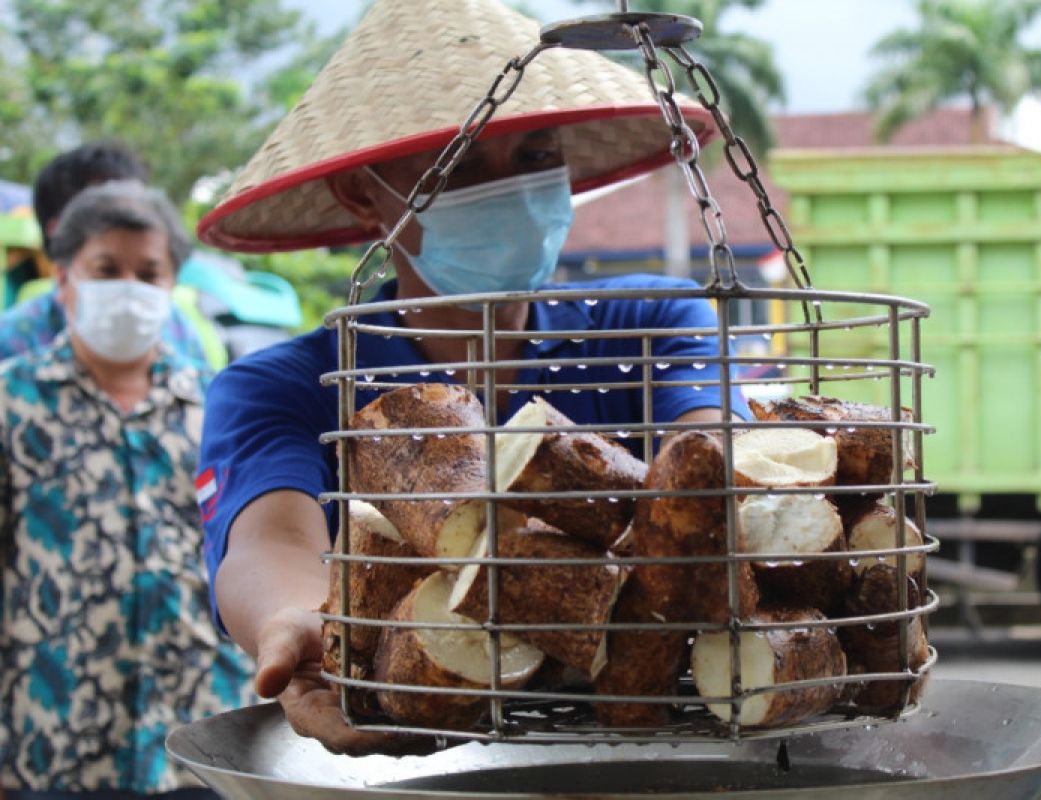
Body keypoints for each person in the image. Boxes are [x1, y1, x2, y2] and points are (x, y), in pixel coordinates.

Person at [195, 0, 745, 755]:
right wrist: (295, 620)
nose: (509, 190)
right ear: (364, 194)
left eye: (532, 157)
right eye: (458, 167)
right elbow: (270, 539)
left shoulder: (652, 326)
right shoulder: (290, 384)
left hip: (652, 744)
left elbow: (712, 451)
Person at [0, 181, 256, 798]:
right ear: (64, 278)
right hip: (54, 736)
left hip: (203, 736)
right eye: (106, 269)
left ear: (172, 286)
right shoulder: (12, 402)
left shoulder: (218, 405)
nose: (130, 289)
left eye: (149, 273)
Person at [0, 141, 211, 371]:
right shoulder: (13, 345)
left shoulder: (180, 332)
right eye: (107, 270)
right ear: (59, 230)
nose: (129, 220)